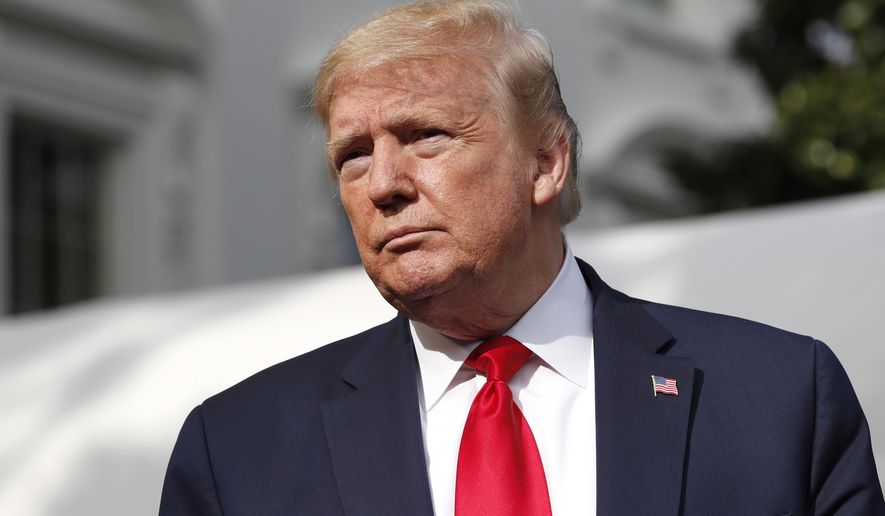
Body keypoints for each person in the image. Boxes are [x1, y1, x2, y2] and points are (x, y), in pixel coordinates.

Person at [159, 1, 885, 514]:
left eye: (426, 135)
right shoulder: (239, 451)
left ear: (545, 161)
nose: (382, 185)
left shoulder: (779, 401)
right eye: (352, 156)